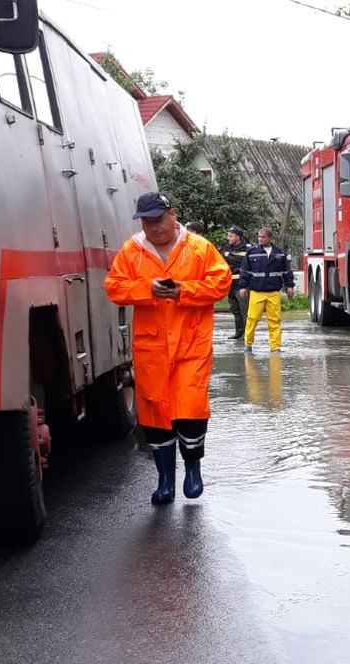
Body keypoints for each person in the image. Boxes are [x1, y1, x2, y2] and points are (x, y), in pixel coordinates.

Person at [103, 192, 232, 505]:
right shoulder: (132, 251)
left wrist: (182, 291)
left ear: (173, 215)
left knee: (190, 406)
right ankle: (164, 480)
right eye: (147, 221)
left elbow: (221, 282)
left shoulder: (199, 248)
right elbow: (114, 287)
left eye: (158, 219)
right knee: (156, 412)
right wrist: (147, 289)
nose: (153, 227)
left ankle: (192, 468)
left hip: (191, 344)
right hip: (153, 348)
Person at [239, 227, 294, 353]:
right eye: (259, 237)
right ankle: (248, 344)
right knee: (252, 319)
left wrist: (289, 285)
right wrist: (243, 286)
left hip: (273, 292)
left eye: (263, 237)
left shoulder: (279, 253)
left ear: (270, 238)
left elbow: (286, 271)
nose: (260, 239)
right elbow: (245, 271)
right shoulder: (252, 252)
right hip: (256, 292)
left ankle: (275, 347)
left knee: (274, 320)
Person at [220, 226, 253, 339]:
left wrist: (231, 259)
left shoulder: (248, 248)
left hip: (242, 284)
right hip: (231, 284)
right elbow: (222, 262)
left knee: (245, 310)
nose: (228, 238)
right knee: (235, 309)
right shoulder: (226, 247)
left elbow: (246, 264)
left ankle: (246, 333)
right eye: (228, 235)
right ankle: (238, 332)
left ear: (238, 237)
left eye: (231, 236)